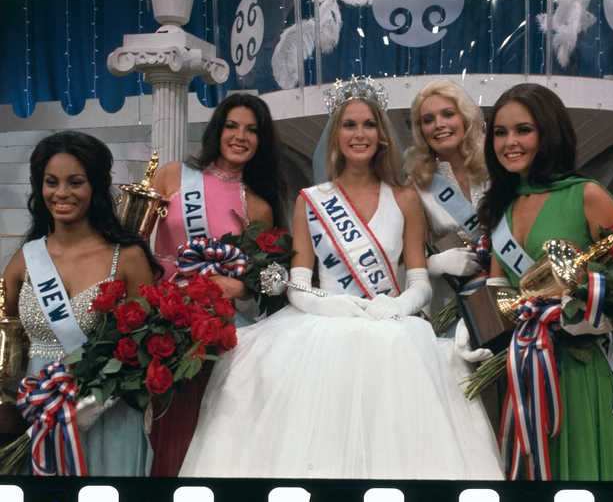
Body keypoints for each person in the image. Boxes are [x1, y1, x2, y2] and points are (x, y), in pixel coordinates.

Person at [179, 76, 503, 479]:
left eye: (368, 124)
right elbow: (298, 280)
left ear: (382, 136)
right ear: (335, 136)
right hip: (320, 329)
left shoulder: (404, 197)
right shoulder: (311, 200)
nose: (359, 134)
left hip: (392, 326)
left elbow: (418, 278)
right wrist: (329, 304)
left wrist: (398, 304)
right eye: (349, 125)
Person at [478, 83, 613, 480]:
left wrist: (590, 316)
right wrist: (476, 335)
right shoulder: (501, 203)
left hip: (579, 369)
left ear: (549, 132)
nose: (510, 142)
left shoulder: (586, 195)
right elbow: (497, 287)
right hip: (520, 370)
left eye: (523, 130)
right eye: (500, 132)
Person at [2, 130, 161, 475]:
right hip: (41, 419)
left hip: (108, 414)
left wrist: (90, 404)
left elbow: (147, 345)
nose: (61, 193)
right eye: (51, 182)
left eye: (75, 182)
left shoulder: (128, 258)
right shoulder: (23, 261)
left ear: (96, 187)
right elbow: (8, 351)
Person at [148, 93, 287, 476]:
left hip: (218, 328)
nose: (240, 136)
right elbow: (131, 240)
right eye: (232, 125)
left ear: (261, 141)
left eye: (251, 130)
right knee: (168, 427)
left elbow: (267, 278)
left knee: (212, 429)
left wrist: (239, 288)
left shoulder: (258, 205)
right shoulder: (172, 176)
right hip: (164, 318)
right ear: (217, 130)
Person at [406, 79, 492, 355]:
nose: (439, 124)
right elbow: (398, 256)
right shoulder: (417, 184)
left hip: (509, 293)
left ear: (465, 117)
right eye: (428, 120)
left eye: (447, 114)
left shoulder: (498, 166)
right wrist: (436, 263)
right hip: (450, 301)